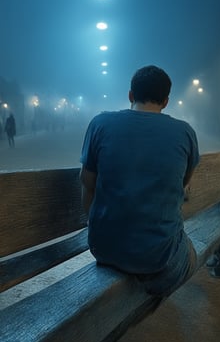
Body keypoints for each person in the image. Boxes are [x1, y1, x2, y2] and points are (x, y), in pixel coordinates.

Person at [80, 65, 200, 300]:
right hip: (158, 258)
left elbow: (87, 184)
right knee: (192, 253)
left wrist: (97, 226)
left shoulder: (100, 124)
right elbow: (184, 183)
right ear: (166, 101)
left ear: (131, 95)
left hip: (103, 249)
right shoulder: (184, 132)